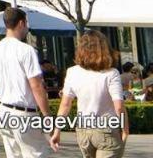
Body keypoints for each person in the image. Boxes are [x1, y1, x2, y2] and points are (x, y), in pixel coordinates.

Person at [0, 7, 53, 158]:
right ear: (21, 23)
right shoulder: (26, 51)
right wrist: (47, 116)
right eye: (26, 23)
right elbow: (37, 86)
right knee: (36, 154)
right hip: (24, 113)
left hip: (3, 111)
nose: (27, 27)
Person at [51, 29, 127, 157]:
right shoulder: (111, 73)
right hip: (107, 128)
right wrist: (125, 129)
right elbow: (118, 106)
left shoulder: (72, 72)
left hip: (83, 129)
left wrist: (57, 131)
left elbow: (65, 105)